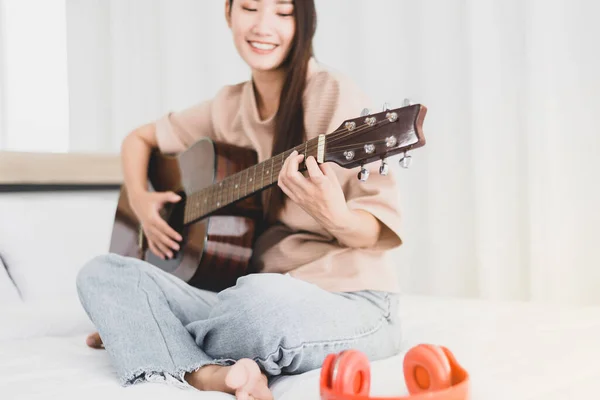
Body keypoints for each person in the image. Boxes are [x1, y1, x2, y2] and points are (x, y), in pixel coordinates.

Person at [76, 0, 405, 399]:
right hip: (243, 293)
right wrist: (144, 204)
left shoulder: (333, 93)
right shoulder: (227, 106)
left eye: (283, 13)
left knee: (257, 304)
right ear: (228, 12)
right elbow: (138, 139)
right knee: (102, 273)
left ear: (303, 22)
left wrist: (334, 217)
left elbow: (372, 231)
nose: (264, 25)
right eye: (250, 7)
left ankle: (148, 335)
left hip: (347, 300)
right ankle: (206, 372)